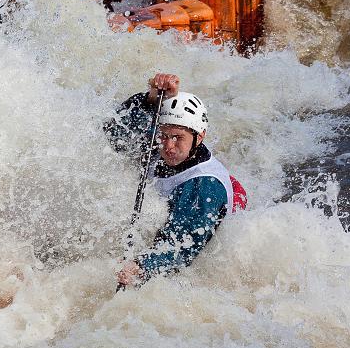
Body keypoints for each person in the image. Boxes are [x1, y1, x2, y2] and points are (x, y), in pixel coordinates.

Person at [105, 74, 246, 288]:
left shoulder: (204, 187)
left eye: (178, 138)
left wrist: (141, 266)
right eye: (164, 135)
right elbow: (114, 133)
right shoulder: (160, 143)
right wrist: (151, 99)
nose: (168, 146)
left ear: (200, 136)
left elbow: (182, 249)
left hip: (204, 223)